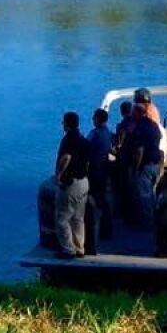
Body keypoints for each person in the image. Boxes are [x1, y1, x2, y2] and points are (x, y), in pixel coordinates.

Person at [53, 111, 90, 259]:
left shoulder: (68, 139)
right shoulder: (83, 139)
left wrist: (59, 175)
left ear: (67, 124)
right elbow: (88, 162)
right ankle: (79, 247)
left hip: (71, 183)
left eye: (63, 122)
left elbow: (66, 157)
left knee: (62, 218)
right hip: (84, 182)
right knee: (78, 218)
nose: (62, 124)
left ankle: (68, 249)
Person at [128, 103, 164, 228]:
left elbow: (140, 151)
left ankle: (148, 225)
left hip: (145, 166)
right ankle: (154, 220)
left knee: (144, 196)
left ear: (138, 113)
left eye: (133, 112)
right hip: (155, 164)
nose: (131, 115)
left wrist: (136, 168)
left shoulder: (140, 128)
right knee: (151, 194)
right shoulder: (154, 126)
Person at [86, 108, 114, 247]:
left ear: (97, 119)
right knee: (103, 199)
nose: (92, 120)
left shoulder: (95, 134)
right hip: (104, 170)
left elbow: (86, 148)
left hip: (94, 171)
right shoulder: (108, 134)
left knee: (95, 201)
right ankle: (107, 228)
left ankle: (95, 230)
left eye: (94, 118)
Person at [111, 101, 135, 218]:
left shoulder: (122, 126)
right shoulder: (136, 123)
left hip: (125, 161)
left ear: (121, 112)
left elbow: (119, 145)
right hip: (135, 160)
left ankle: (123, 213)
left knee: (124, 187)